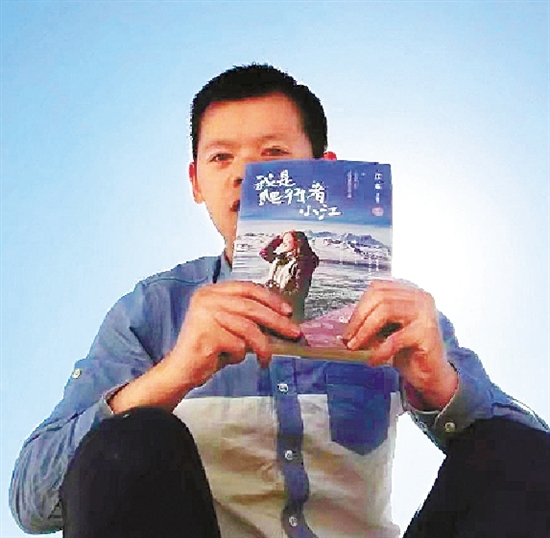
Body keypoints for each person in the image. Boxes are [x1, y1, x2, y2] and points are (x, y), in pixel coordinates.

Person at [9, 64, 550, 538]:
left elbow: (530, 468)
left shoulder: (393, 312)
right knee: (132, 436)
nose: (246, 174)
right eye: (221, 157)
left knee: (512, 446)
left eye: (273, 154)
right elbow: (32, 501)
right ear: (196, 182)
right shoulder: (150, 312)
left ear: (324, 170)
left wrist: (439, 386)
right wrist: (172, 376)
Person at [260, 230, 320, 322]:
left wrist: (278, 291)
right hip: (276, 304)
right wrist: (278, 239)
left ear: (297, 243)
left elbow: (300, 294)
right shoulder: (283, 259)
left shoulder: (303, 264)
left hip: (291, 311)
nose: (283, 243)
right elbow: (264, 253)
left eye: (287, 240)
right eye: (283, 241)